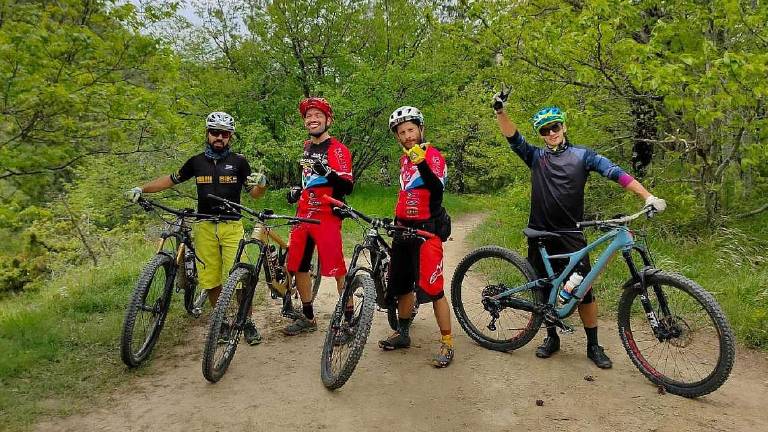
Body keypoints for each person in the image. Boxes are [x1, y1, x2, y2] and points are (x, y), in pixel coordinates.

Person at [492, 90, 667, 368]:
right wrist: (501, 112)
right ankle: (551, 338)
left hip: (571, 234)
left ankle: (593, 345)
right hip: (539, 233)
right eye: (545, 130)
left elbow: (617, 173)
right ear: (541, 134)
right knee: (544, 289)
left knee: (584, 290)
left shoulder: (583, 156)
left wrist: (647, 197)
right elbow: (513, 138)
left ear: (564, 126)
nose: (551, 133)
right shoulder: (536, 157)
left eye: (555, 127)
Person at [125, 111, 267, 345]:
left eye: (224, 133)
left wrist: (261, 184)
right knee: (210, 279)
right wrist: (142, 188)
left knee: (240, 278)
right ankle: (221, 322)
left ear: (230, 137)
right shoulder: (196, 162)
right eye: (214, 132)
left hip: (232, 226)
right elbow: (170, 179)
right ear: (207, 134)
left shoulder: (239, 162)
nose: (219, 137)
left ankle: (246, 321)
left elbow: (254, 194)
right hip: (204, 226)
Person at [378, 106, 454, 368]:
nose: (407, 135)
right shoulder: (403, 160)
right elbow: (406, 195)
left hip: (426, 232)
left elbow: (436, 188)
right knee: (400, 285)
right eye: (402, 132)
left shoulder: (432, 156)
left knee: (434, 290)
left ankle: (447, 342)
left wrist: (421, 161)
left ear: (421, 129)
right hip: (403, 231)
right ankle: (403, 333)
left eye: (411, 129)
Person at [283, 97, 354, 335]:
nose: (312, 119)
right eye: (308, 116)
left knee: (337, 269)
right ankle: (308, 317)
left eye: (317, 116)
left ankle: (349, 319)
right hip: (303, 214)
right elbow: (308, 180)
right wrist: (297, 191)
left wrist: (330, 173)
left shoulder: (338, 149)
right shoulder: (307, 147)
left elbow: (347, 186)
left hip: (326, 216)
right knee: (299, 266)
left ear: (328, 120)